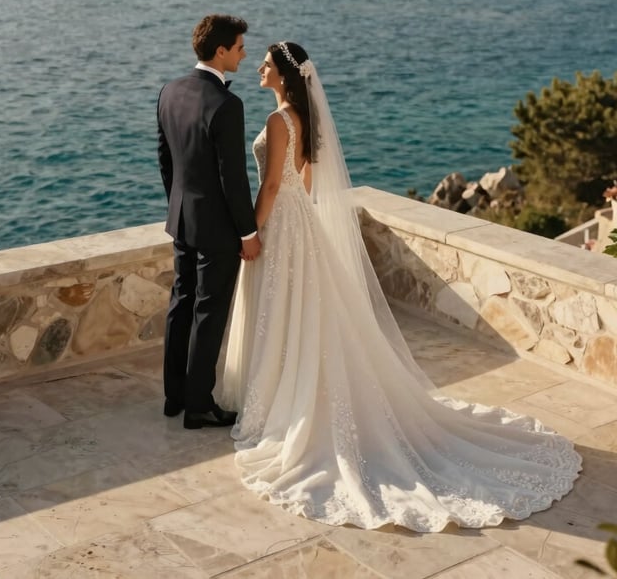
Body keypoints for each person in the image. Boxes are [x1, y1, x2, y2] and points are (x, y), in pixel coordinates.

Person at [219, 41, 581, 531]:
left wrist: (255, 232)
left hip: (282, 225)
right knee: (304, 311)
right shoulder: (303, 119)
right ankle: (289, 391)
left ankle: (283, 400)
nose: (259, 68)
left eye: (265, 63)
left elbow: (272, 186)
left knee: (284, 309)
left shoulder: (279, 121)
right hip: (303, 223)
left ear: (282, 74)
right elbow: (303, 181)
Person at [158, 15, 261, 430]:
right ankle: (199, 404)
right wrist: (248, 233)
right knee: (208, 312)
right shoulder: (227, 105)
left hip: (180, 220)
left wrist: (178, 206)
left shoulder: (170, 91)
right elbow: (232, 179)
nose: (243, 53)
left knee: (180, 303)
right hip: (217, 229)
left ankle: (174, 396)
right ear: (220, 51)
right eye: (239, 47)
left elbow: (165, 160)